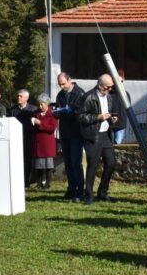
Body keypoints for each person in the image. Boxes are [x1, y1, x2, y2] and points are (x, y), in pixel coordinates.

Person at [78, 74, 120, 203]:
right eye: (108, 87)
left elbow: (108, 113)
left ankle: (102, 192)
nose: (110, 90)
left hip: (105, 134)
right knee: (93, 166)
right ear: (100, 85)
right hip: (93, 136)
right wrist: (98, 117)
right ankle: (89, 195)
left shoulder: (109, 97)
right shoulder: (88, 97)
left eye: (111, 87)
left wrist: (112, 119)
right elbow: (80, 116)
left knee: (111, 163)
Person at [54, 73, 86, 201]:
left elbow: (80, 112)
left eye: (63, 83)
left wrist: (68, 112)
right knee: (68, 163)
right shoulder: (60, 95)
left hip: (76, 133)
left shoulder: (80, 93)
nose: (62, 87)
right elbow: (58, 109)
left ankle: (79, 191)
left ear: (70, 80)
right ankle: (71, 189)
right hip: (65, 132)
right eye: (59, 84)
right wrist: (56, 112)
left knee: (75, 162)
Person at [10, 89, 37, 186]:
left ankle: (27, 180)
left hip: (28, 138)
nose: (18, 98)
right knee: (16, 160)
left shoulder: (33, 109)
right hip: (16, 139)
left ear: (27, 98)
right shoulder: (13, 110)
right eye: (18, 95)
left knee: (27, 160)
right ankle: (17, 180)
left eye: (21, 96)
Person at [31, 95, 58, 189]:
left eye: (42, 104)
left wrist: (40, 123)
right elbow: (33, 127)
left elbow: (51, 128)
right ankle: (38, 183)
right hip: (38, 142)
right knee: (39, 165)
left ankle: (47, 183)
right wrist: (33, 123)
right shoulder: (36, 113)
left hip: (47, 143)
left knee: (48, 164)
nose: (40, 106)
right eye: (39, 104)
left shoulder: (52, 114)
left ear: (47, 104)